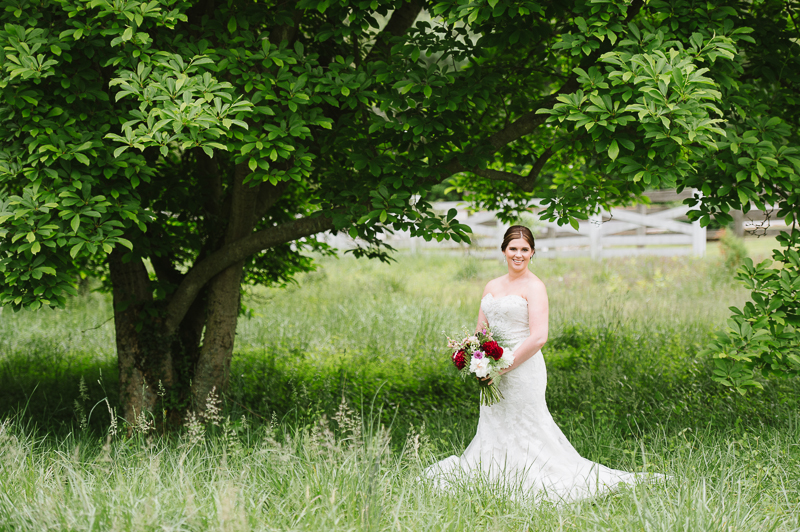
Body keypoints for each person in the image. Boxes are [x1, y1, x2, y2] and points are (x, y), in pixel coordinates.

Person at [424, 225, 663, 502]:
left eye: (525, 249)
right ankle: (493, 475)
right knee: (495, 421)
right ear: (503, 250)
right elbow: (481, 330)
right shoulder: (491, 286)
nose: (518, 254)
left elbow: (539, 337)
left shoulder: (535, 287)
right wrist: (476, 359)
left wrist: (503, 366)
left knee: (528, 424)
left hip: (523, 369)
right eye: (513, 248)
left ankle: (531, 475)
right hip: (491, 369)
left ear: (532, 252)